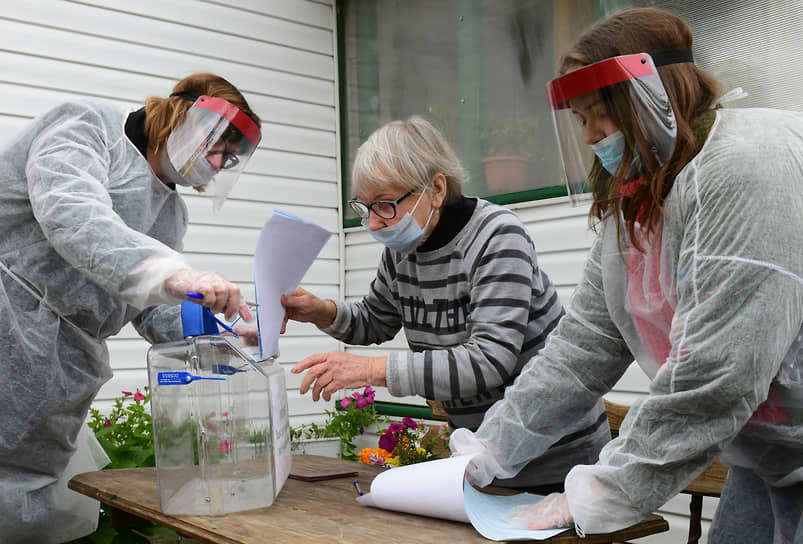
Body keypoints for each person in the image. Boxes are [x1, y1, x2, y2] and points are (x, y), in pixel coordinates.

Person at [449, 7, 803, 542]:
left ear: (657, 99)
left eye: (602, 114)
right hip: (769, 456)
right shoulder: (641, 205)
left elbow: (718, 374)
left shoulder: (747, 166)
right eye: (580, 120)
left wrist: (602, 492)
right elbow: (578, 352)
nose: (591, 136)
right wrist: (488, 450)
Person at [282, 115, 611, 492]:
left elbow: (488, 361)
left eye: (385, 204)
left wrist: (373, 371)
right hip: (481, 464)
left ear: (436, 189)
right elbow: (375, 320)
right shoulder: (404, 249)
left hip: (557, 467)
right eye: (365, 207)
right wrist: (320, 311)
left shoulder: (496, 237)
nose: (373, 224)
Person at [0, 73, 262, 542]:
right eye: (219, 145)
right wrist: (176, 276)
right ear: (185, 114)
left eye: (230, 158)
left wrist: (216, 334)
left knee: (24, 509)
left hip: (61, 373)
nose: (220, 163)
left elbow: (148, 304)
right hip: (9, 323)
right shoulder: (87, 125)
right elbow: (72, 213)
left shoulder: (169, 212)